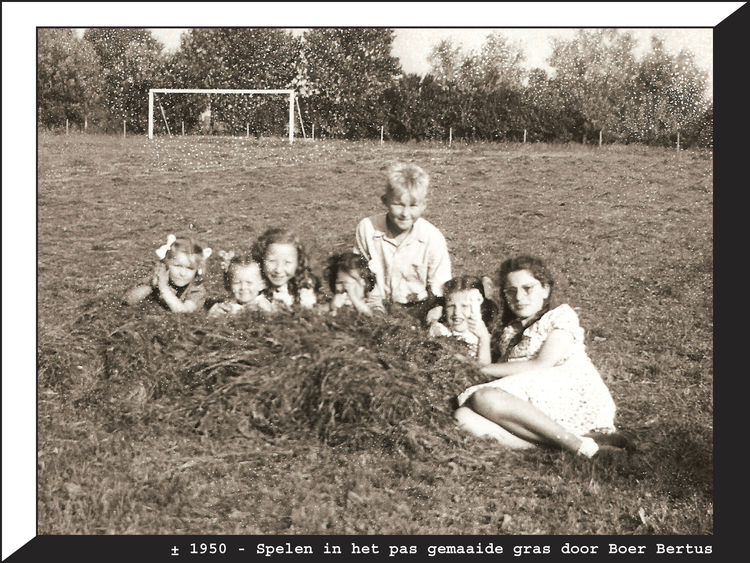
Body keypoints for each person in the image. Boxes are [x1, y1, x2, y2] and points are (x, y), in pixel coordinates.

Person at [454, 255, 626, 458]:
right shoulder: (509, 332)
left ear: (545, 289)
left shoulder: (560, 316)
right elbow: (487, 369)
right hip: (533, 399)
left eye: (528, 288)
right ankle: (567, 445)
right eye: (511, 291)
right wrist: (483, 336)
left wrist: (481, 369)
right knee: (463, 417)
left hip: (569, 392)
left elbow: (542, 363)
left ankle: (580, 447)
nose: (519, 297)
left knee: (484, 397)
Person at [354, 163, 451, 325]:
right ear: (385, 201)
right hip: (376, 306)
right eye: (398, 204)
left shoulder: (432, 238)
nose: (405, 214)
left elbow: (440, 288)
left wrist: (434, 313)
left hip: (419, 310)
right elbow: (357, 275)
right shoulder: (367, 229)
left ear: (423, 205)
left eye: (413, 206)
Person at [123, 234, 212, 313]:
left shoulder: (196, 288)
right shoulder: (162, 277)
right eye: (177, 266)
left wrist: (164, 289)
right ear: (166, 264)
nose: (183, 273)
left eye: (190, 268)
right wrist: (151, 285)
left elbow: (184, 312)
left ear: (197, 270)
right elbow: (127, 301)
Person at [429, 276, 498, 358]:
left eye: (464, 306)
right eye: (451, 306)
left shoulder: (482, 338)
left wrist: (484, 338)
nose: (457, 312)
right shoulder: (441, 330)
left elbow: (484, 368)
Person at [251, 228, 318, 311]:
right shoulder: (253, 287)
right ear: (261, 259)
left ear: (298, 263)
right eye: (272, 261)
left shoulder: (304, 289)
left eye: (287, 262)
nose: (278, 269)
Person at [207, 251, 268, 317]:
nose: (243, 287)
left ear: (262, 285)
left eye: (249, 283)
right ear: (229, 284)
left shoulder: (264, 306)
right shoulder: (228, 304)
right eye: (237, 283)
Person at [323, 252, 385, 316]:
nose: (342, 288)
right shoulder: (335, 301)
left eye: (348, 284)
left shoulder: (372, 303)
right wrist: (333, 308)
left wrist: (355, 299)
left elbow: (376, 319)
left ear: (363, 283)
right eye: (339, 283)